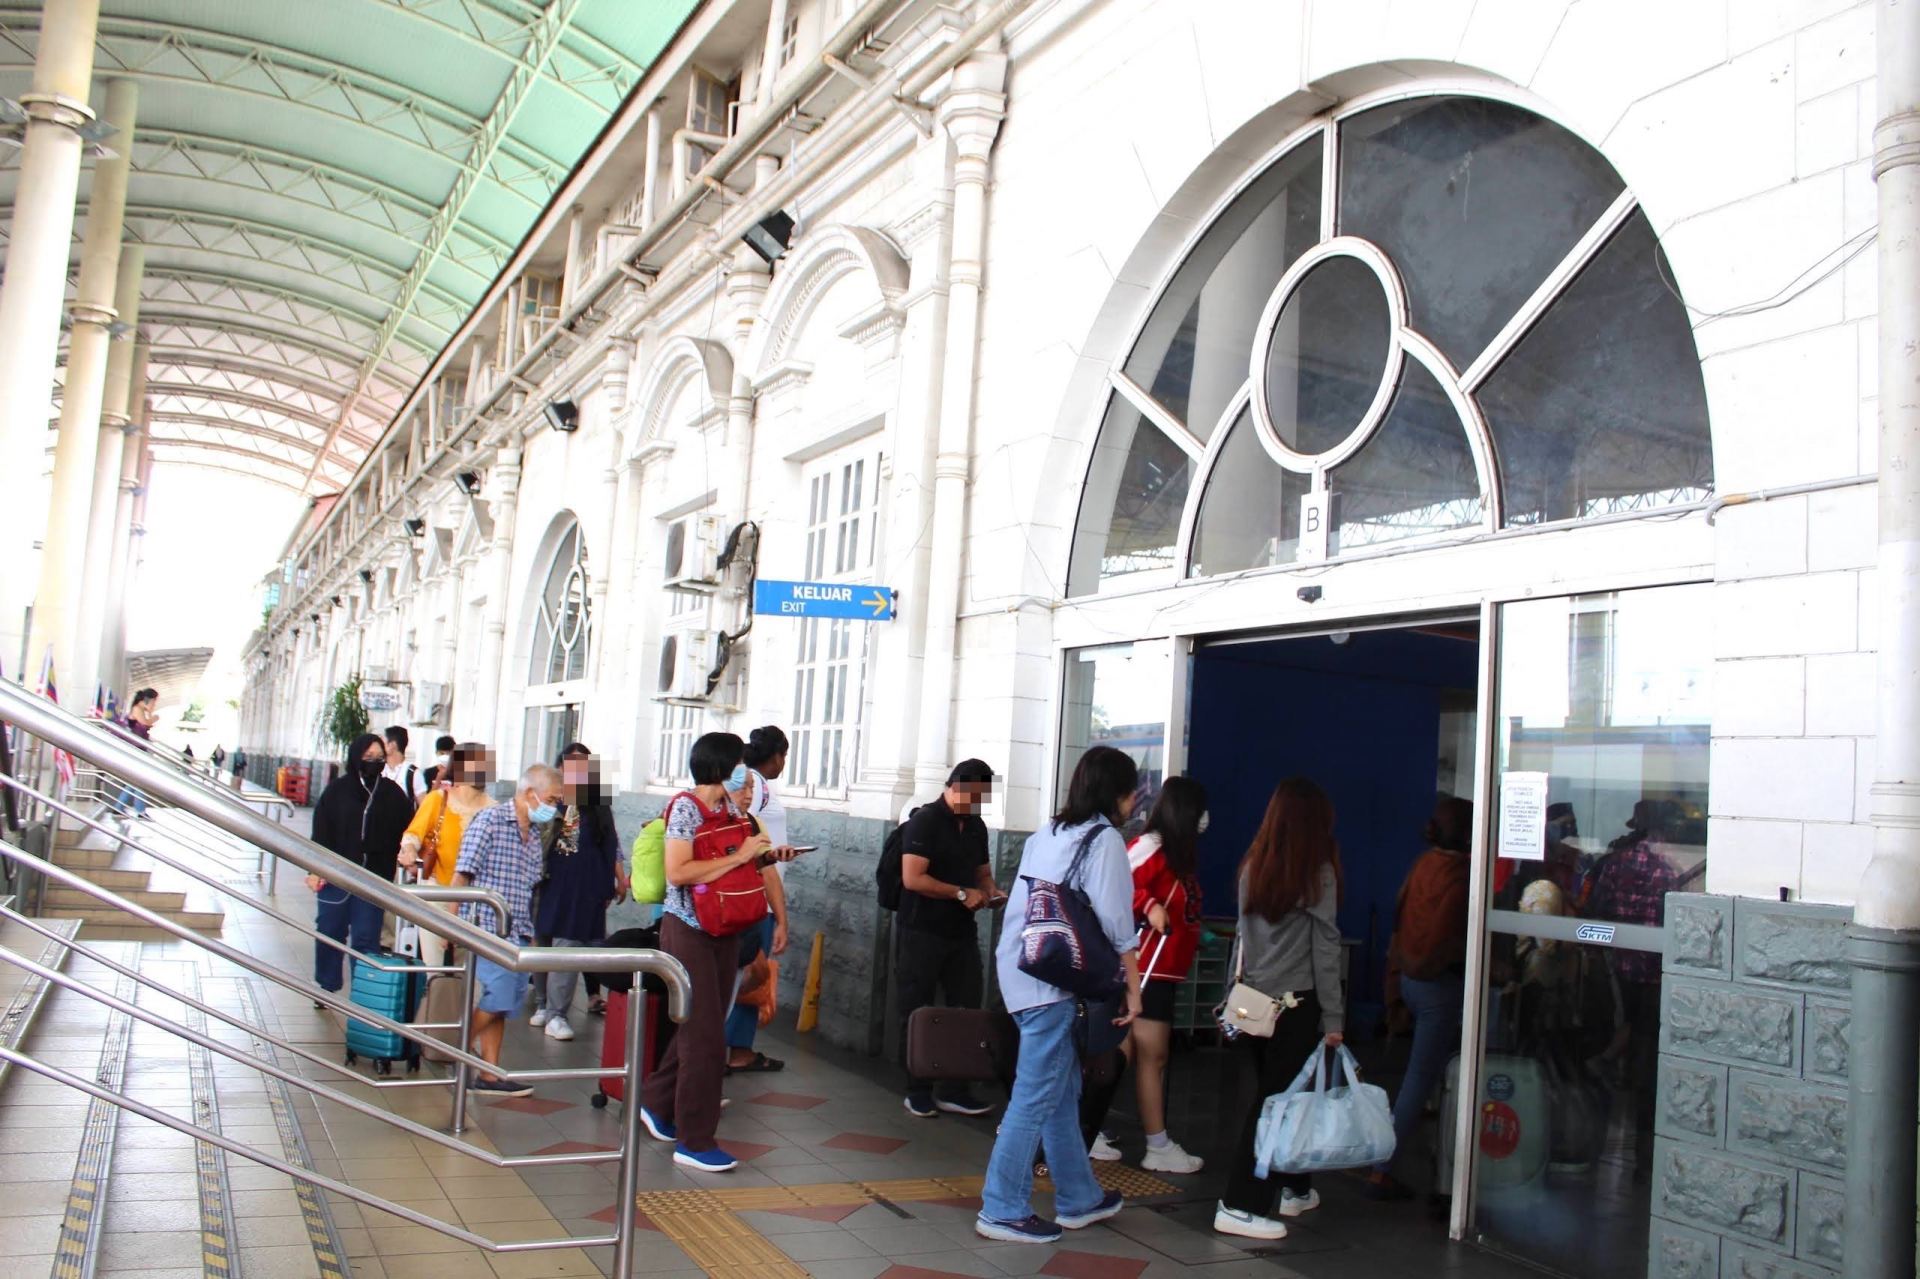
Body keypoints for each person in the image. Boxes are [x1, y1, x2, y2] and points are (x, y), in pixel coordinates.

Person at [976, 745, 1141, 1245]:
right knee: (1034, 1096)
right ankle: (1002, 1207)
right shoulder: (1105, 840)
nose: (1136, 801)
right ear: (1118, 793)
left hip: (1023, 971)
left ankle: (1079, 1196)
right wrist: (1133, 986)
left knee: (1061, 1093)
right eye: (1133, 791)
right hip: (1057, 983)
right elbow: (1116, 921)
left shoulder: (1048, 831)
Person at [640, 732, 793, 1173]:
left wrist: (767, 857)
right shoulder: (686, 808)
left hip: (726, 927)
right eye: (741, 770)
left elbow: (747, 860)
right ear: (721, 768)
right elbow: (678, 871)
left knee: (704, 1024)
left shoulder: (733, 811)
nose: (748, 781)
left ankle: (655, 1101)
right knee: (706, 1036)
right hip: (689, 928)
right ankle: (695, 1139)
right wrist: (742, 853)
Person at [1215, 777, 1345, 1242]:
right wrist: (1335, 1018)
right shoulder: (1318, 874)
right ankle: (1238, 1204)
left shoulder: (1254, 866)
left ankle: (1294, 1187)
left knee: (1281, 1097)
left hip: (1250, 1004)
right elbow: (1326, 950)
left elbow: (1243, 941)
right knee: (1275, 1104)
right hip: (1295, 1006)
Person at [1080, 775, 1211, 1173]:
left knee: (1131, 1055)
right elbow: (1112, 887)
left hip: (1161, 973)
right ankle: (1152, 1143)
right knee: (1145, 1056)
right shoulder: (1150, 847)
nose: (1206, 818)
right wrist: (1149, 903)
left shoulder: (1175, 856)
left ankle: (1088, 1128)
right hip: (1145, 970)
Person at [1366, 796, 1473, 1201]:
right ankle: (1382, 1168)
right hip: (1438, 985)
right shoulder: (1462, 876)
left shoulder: (1423, 863)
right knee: (1420, 1079)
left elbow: (1399, 916)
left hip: (1409, 979)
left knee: (1421, 1077)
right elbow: (1447, 936)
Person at [897, 758, 1003, 1119]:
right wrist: (960, 893)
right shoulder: (925, 821)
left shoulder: (976, 827)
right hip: (922, 930)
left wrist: (990, 891)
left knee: (966, 1007)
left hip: (962, 933)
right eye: (975, 795)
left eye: (983, 798)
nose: (978, 803)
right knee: (917, 1007)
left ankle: (955, 1088)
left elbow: (982, 873)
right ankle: (917, 1089)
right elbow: (913, 878)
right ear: (955, 786)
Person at [453, 762, 566, 1098]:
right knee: (496, 996)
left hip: (516, 931)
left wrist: (528, 932)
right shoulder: (489, 821)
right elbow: (462, 876)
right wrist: (451, 923)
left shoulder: (533, 834)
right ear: (530, 793)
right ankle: (453, 1049)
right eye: (551, 798)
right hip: (486, 928)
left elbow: (528, 887)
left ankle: (489, 1073)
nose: (554, 806)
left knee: (507, 1002)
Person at [531, 743, 627, 1042]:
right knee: (543, 944)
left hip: (584, 887)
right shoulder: (548, 799)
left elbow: (610, 844)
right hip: (550, 882)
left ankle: (558, 1013)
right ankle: (544, 1005)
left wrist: (614, 882)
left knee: (569, 947)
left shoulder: (598, 804)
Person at [306, 734, 413, 1002]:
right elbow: (321, 831)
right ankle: (326, 985)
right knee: (330, 931)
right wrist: (314, 869)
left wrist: (408, 851)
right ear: (355, 758)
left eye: (379, 758)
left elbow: (409, 827)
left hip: (372, 878)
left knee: (366, 938)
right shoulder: (337, 791)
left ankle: (362, 992)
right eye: (368, 758)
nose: (374, 762)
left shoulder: (391, 794)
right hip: (336, 876)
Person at [725, 726, 791, 1074]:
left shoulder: (757, 787)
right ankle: (736, 1048)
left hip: (762, 889)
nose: (746, 793)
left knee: (747, 973)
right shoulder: (754, 785)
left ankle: (732, 1046)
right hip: (754, 898)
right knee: (752, 974)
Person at [397, 742, 492, 970]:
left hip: (476, 902)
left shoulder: (493, 808)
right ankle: (438, 1003)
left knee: (468, 975)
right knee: (437, 969)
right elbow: (412, 834)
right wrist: (409, 850)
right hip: (438, 895)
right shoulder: (439, 800)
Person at [383, 725, 427, 806]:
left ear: (392, 745)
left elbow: (424, 808)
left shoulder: (413, 773)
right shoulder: (380, 770)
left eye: (383, 742)